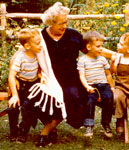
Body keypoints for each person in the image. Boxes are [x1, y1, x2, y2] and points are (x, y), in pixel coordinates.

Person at [23, 2, 87, 147]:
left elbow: (91, 50)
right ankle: (49, 129)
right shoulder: (40, 37)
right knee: (37, 97)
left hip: (71, 79)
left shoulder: (74, 35)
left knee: (73, 96)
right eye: (60, 23)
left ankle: (47, 130)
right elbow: (24, 53)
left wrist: (116, 55)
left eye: (65, 22)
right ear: (51, 22)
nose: (64, 26)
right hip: (48, 78)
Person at [77, 31, 114, 138]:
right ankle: (89, 125)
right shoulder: (82, 60)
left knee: (109, 99)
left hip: (104, 86)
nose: (101, 49)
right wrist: (87, 86)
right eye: (98, 46)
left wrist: (111, 87)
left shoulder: (102, 59)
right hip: (91, 86)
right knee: (89, 101)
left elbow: (108, 75)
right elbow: (82, 76)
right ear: (88, 47)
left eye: (101, 46)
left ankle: (106, 123)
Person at [8, 28, 42, 142]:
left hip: (33, 85)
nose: (41, 45)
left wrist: (40, 73)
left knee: (28, 108)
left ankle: (23, 131)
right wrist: (14, 95)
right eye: (37, 43)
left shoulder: (39, 54)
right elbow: (12, 75)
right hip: (19, 84)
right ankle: (13, 132)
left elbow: (42, 66)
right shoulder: (20, 57)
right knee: (12, 107)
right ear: (27, 46)